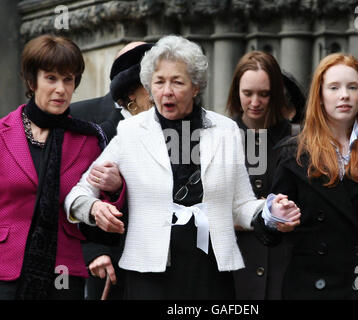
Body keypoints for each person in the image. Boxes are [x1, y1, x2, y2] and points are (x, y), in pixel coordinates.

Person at [64, 35, 300, 300]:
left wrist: (270, 211)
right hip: (149, 275)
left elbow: (240, 205)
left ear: (196, 86)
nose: (167, 91)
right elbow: (76, 196)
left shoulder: (225, 130)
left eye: (177, 82)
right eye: (159, 82)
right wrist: (95, 208)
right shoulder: (131, 131)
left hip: (211, 274)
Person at [253, 53, 358, 300]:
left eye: (352, 87)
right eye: (334, 87)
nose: (344, 95)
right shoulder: (294, 153)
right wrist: (273, 216)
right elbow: (269, 234)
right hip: (310, 288)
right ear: (320, 96)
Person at [0, 34, 107, 300]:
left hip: (64, 271)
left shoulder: (90, 139)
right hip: (6, 268)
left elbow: (101, 203)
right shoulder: (2, 134)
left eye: (68, 79)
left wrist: (114, 187)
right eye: (51, 78)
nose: (61, 89)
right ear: (31, 81)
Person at [73, 42, 154, 300]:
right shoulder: (99, 133)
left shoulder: (179, 130)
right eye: (153, 83)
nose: (164, 92)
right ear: (131, 92)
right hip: (113, 268)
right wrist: (93, 251)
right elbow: (68, 198)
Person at [226, 50, 305, 299]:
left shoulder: (298, 139)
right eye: (247, 93)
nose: (255, 102)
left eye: (264, 94)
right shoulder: (219, 137)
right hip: (234, 269)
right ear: (236, 92)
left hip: (286, 268)